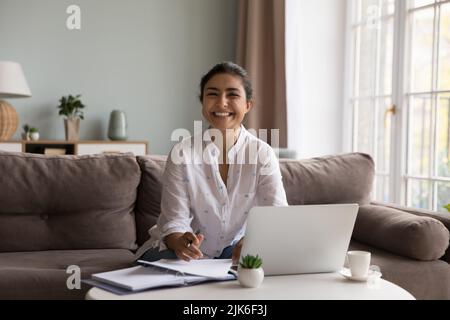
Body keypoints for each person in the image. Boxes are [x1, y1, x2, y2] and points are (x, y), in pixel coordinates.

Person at [136, 61, 288, 264]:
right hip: (177, 254)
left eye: (232, 95)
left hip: (230, 252)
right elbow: (174, 221)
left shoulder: (263, 154)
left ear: (247, 105)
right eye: (213, 94)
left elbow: (277, 215)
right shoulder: (182, 153)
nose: (222, 103)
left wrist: (255, 241)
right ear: (202, 103)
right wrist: (179, 241)